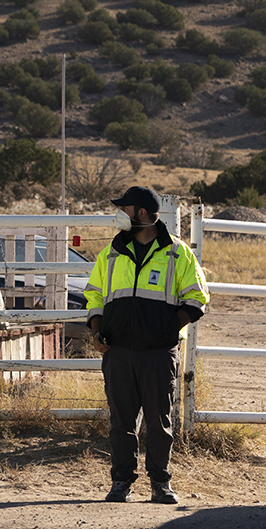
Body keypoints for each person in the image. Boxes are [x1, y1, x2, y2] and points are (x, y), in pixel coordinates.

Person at [85, 186, 209, 504]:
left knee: (158, 422)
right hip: (118, 352)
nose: (119, 214)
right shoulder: (110, 253)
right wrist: (97, 331)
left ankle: (160, 484)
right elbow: (95, 296)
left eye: (123, 208)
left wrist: (165, 330)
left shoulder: (177, 253)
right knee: (121, 423)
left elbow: (197, 299)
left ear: (140, 213)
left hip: (158, 354)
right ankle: (121, 482)